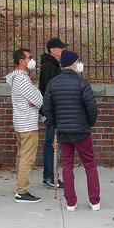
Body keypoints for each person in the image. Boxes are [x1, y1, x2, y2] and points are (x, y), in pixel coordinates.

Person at [41, 49, 100, 212]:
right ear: (73, 63)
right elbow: (92, 108)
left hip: (64, 131)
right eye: (78, 61)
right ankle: (95, 201)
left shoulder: (53, 83)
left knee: (67, 165)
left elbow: (47, 108)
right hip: (82, 131)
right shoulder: (82, 83)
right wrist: (89, 123)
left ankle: (70, 202)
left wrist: (56, 123)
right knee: (90, 164)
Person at [5, 48, 43, 203]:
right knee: (27, 157)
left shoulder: (16, 77)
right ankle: (22, 190)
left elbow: (35, 99)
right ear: (22, 61)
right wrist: (36, 99)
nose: (32, 60)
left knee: (21, 155)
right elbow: (39, 100)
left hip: (21, 122)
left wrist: (35, 99)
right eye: (30, 57)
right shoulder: (22, 79)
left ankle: (21, 187)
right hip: (28, 123)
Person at [38, 37, 65, 189]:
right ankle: (50, 176)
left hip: (51, 110)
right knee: (52, 144)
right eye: (61, 49)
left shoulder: (52, 65)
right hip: (51, 111)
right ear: (53, 50)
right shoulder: (49, 66)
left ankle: (49, 176)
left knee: (50, 143)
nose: (63, 51)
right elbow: (52, 89)